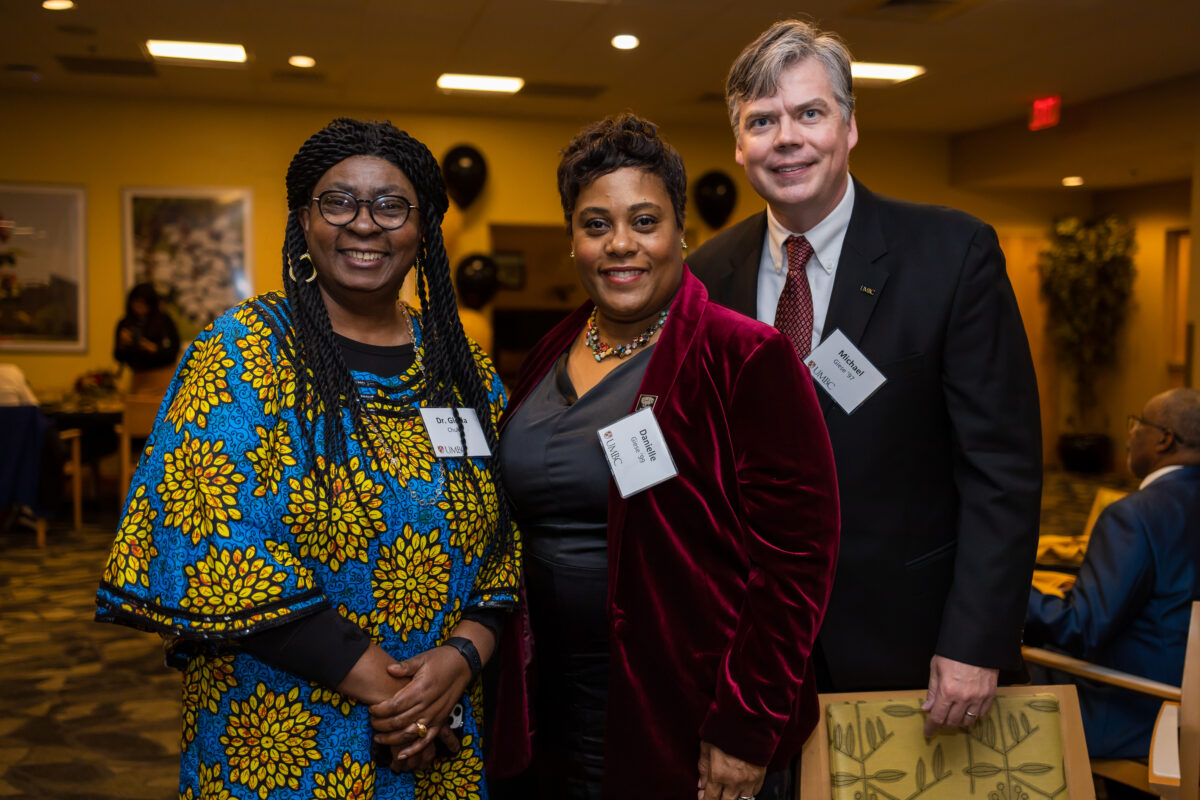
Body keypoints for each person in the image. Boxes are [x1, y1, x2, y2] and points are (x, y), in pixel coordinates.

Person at [95, 118, 520, 799]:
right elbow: (210, 537)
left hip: (441, 728)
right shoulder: (242, 352)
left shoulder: (460, 368)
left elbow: (508, 534)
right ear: (303, 219)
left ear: (424, 229)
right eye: (338, 201)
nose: (364, 224)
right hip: (281, 732)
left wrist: (464, 655)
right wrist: (401, 697)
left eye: (391, 205)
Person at [688, 19, 1042, 733]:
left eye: (809, 113)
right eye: (763, 120)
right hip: (746, 656)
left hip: (909, 657)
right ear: (739, 144)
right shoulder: (704, 276)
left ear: (849, 127)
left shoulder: (952, 254)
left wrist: (975, 642)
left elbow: (1001, 468)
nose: (787, 137)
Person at [488, 113, 839, 800]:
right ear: (573, 241)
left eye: (644, 221)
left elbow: (799, 562)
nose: (621, 245)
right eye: (595, 225)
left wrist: (745, 725)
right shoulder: (545, 355)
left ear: (682, 232)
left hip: (684, 717)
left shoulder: (742, 356)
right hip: (546, 709)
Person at [1027, 388, 1200, 758]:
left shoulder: (1134, 515)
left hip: (1147, 710)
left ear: (1164, 439)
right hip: (1185, 692)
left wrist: (1007, 592)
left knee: (1004, 666)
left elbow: (1082, 629)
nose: (1130, 434)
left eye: (1137, 423)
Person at [114, 282, 181, 372]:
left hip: (164, 373)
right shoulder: (125, 323)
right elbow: (118, 357)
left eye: (143, 303)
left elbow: (174, 350)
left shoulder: (163, 320)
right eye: (136, 302)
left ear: (151, 304)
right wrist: (122, 344)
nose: (139, 307)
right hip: (138, 374)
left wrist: (153, 348)